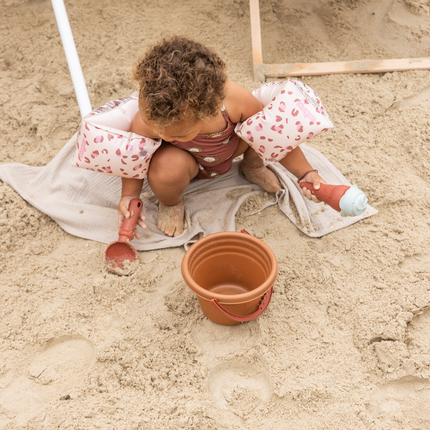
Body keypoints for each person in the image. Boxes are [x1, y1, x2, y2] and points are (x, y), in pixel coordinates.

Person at [118, 36, 325, 238]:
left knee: (260, 128)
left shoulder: (235, 101)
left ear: (209, 110)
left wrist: (305, 173)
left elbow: (275, 136)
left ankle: (252, 167)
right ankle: (172, 202)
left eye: (177, 134)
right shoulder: (152, 110)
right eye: (157, 129)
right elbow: (135, 156)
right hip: (186, 163)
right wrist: (129, 195)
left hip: (231, 148)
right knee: (166, 170)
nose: (161, 136)